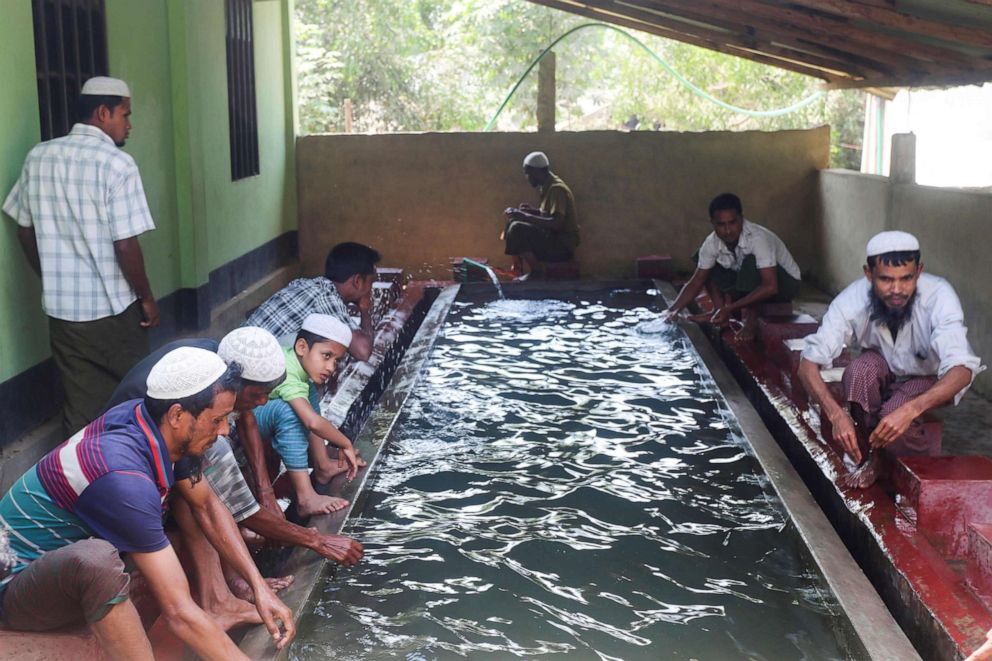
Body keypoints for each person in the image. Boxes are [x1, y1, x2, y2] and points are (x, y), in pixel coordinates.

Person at [0, 348, 294, 660]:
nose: (225, 431)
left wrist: (259, 587)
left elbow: (206, 505)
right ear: (178, 415)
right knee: (95, 561)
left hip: (56, 567)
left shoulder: (149, 421)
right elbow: (178, 613)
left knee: (188, 496)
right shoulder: (121, 477)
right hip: (15, 588)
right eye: (219, 420)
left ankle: (218, 604)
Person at [103, 328, 363, 616]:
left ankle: (224, 593)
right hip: (133, 458)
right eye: (260, 394)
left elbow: (247, 420)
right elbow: (230, 508)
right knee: (203, 497)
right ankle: (221, 596)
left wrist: (266, 492)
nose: (264, 401)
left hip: (148, 442)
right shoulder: (196, 413)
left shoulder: (224, 363)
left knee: (208, 494)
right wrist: (316, 540)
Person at [3, 76, 159, 436]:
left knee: (80, 408)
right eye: (125, 114)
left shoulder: (38, 156)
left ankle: (79, 483)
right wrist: (147, 298)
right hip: (114, 310)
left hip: (63, 314)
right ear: (104, 113)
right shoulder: (117, 165)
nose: (129, 124)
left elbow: (24, 230)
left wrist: (48, 275)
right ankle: (139, 477)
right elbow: (125, 245)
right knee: (140, 398)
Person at [798, 231, 984, 488]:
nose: (897, 289)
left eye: (906, 278)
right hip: (881, 369)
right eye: (885, 280)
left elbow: (962, 369)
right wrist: (836, 414)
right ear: (868, 274)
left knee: (895, 414)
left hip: (926, 377)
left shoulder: (939, 296)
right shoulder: (851, 300)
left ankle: (910, 472)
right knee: (859, 370)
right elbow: (807, 365)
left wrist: (910, 409)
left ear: (918, 272)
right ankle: (872, 455)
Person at [253, 314, 360, 517]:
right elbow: (312, 422)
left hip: (258, 413)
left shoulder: (295, 361)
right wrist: (344, 443)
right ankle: (306, 497)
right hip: (240, 421)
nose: (331, 367)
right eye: (326, 356)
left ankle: (322, 464)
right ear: (302, 347)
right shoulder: (287, 372)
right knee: (291, 412)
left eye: (336, 360)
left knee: (307, 391)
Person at [665, 193, 801, 340]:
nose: (728, 230)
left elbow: (770, 286)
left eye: (732, 223)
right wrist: (672, 310)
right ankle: (718, 313)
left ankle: (751, 321)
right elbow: (697, 280)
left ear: (741, 219)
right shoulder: (711, 243)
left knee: (751, 263)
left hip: (785, 285)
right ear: (712, 223)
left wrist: (729, 308)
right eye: (721, 225)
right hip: (749, 282)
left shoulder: (757, 238)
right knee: (706, 265)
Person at [246, 241, 380, 362]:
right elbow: (362, 351)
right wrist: (365, 310)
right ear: (357, 281)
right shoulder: (327, 298)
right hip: (251, 367)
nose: (371, 290)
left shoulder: (305, 283)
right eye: (371, 283)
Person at [502, 151, 580, 281]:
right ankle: (517, 268)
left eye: (528, 173)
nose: (527, 177)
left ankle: (536, 271)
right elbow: (549, 214)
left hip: (562, 247)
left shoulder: (556, 189)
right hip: (554, 240)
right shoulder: (547, 185)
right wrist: (531, 211)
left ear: (537, 172)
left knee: (517, 228)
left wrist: (524, 216)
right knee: (513, 221)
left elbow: (556, 223)